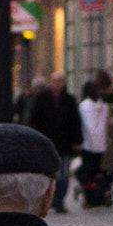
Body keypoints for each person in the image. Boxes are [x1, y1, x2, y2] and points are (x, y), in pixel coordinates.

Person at [29, 72, 81, 212]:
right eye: (54, 81)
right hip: (47, 142)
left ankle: (59, 201)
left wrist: (77, 140)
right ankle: (48, 199)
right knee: (48, 173)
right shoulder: (42, 99)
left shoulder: (69, 100)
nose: (57, 84)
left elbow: (75, 121)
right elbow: (35, 120)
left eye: (60, 81)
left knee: (63, 174)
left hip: (65, 143)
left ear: (64, 83)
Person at [76, 82, 112, 207]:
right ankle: (100, 195)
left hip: (88, 143)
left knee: (88, 173)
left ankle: (91, 198)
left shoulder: (85, 106)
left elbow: (88, 126)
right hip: (101, 143)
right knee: (97, 171)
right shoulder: (103, 106)